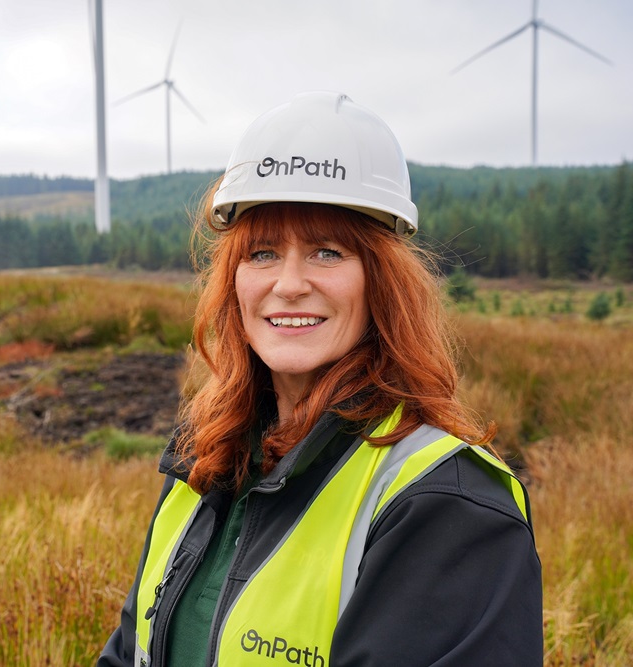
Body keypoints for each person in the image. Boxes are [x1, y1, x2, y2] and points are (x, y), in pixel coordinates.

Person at [97, 91, 542, 666]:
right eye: (261, 254)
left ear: (381, 282)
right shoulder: (202, 459)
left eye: (327, 253)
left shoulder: (447, 507)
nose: (288, 284)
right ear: (233, 280)